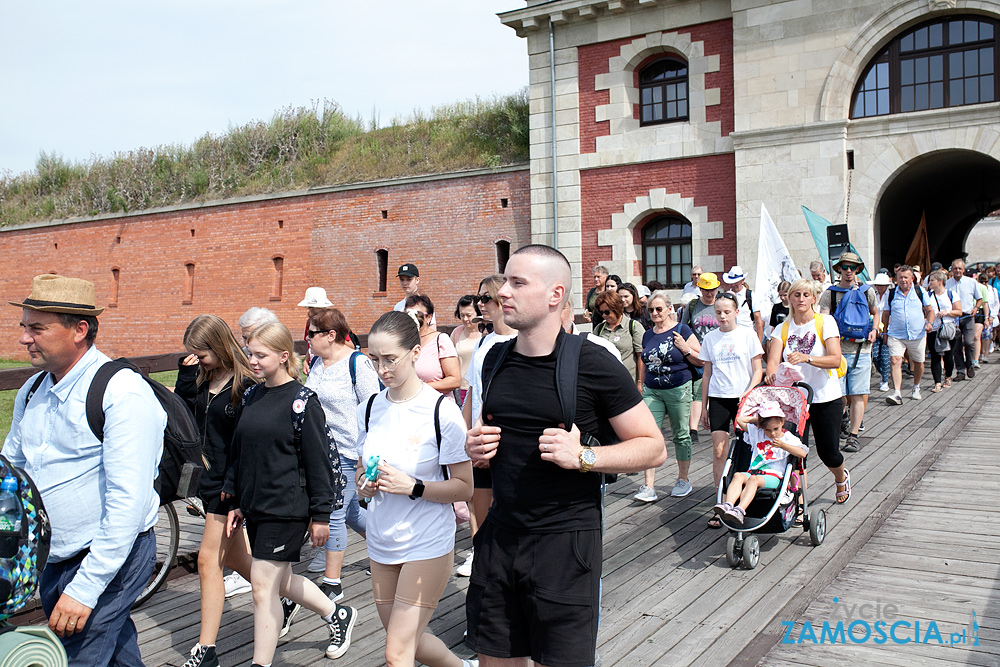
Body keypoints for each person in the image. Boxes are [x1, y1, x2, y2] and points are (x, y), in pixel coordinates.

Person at [465, 244, 666, 667]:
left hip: (564, 544)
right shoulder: (494, 359)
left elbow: (653, 447)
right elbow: (488, 439)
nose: (504, 293)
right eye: (505, 281)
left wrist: (584, 458)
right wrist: (477, 448)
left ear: (556, 295)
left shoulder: (592, 362)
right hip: (500, 537)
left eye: (519, 283)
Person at [4, 274, 166, 665]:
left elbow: (128, 505)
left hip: (110, 557)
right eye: (24, 327)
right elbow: (11, 475)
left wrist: (85, 588)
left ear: (79, 330)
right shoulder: (32, 389)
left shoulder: (122, 393)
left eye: (37, 328)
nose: (25, 338)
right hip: (52, 556)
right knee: (116, 653)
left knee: (77, 657)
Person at [223, 322, 356, 665]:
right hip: (256, 505)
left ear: (284, 357)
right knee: (280, 582)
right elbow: (241, 451)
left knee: (261, 586)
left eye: (260, 355)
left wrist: (322, 515)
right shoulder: (252, 395)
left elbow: (320, 462)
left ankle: (260, 663)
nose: (252, 360)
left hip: (287, 508)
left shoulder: (302, 402)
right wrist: (235, 499)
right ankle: (336, 613)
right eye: (250, 353)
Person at [356, 311, 476, 667]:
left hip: (426, 543)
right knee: (408, 641)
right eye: (374, 360)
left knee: (396, 654)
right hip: (381, 541)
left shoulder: (441, 411)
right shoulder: (368, 409)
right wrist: (366, 483)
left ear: (414, 352)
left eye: (390, 359)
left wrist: (414, 486)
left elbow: (465, 488)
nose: (382, 370)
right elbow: (364, 475)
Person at [176, 315, 259, 667]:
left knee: (208, 561)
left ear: (219, 346)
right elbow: (181, 417)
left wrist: (234, 486)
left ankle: (205, 651)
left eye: (202, 354)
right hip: (208, 481)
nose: (198, 360)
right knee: (245, 564)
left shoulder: (245, 385)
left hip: (229, 487)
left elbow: (249, 444)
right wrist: (185, 377)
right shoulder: (201, 378)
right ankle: (326, 608)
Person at [303, 308, 381, 602]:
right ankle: (384, 548)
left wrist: (365, 455)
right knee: (348, 512)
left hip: (347, 452)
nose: (307, 339)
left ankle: (332, 583)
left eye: (312, 333)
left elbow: (372, 408)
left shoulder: (357, 364)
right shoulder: (317, 364)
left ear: (330, 335)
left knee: (334, 513)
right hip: (321, 451)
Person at [766, 278, 852, 505]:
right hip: (794, 401)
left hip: (825, 397)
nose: (801, 299)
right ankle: (799, 500)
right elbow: (773, 361)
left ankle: (840, 477)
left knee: (828, 452)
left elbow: (835, 359)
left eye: (806, 295)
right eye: (796, 295)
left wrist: (808, 358)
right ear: (789, 299)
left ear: (814, 298)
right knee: (794, 452)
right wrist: (772, 374)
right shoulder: (782, 328)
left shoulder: (825, 322)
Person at [458, 274, 517, 578]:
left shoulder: (517, 342)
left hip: (501, 439)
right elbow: (473, 392)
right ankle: (478, 553)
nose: (480, 304)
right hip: (478, 437)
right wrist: (466, 433)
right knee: (476, 503)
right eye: (479, 298)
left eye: (486, 298)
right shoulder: (484, 340)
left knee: (502, 508)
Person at [698, 292, 764, 528]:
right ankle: (720, 501)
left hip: (743, 398)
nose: (723, 316)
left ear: (737, 312)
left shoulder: (747, 335)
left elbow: (758, 370)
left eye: (727, 312)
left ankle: (742, 501)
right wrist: (704, 405)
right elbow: (706, 373)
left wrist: (748, 394)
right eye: (718, 312)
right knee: (718, 451)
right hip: (718, 397)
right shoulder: (710, 339)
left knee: (746, 448)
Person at [638, 291, 701, 502]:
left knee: (681, 434)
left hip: (678, 388)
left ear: (669, 309)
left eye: (659, 309)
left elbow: (701, 360)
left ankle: (683, 479)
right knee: (648, 435)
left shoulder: (682, 330)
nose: (654, 313)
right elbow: (643, 359)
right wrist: (640, 382)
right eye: (651, 310)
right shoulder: (648, 334)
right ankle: (648, 485)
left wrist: (685, 349)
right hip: (652, 389)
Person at [818, 252, 878, 454]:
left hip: (861, 348)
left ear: (858, 269)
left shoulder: (867, 291)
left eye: (853, 267)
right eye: (845, 267)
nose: (849, 271)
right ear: (839, 269)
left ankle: (853, 436)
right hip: (839, 352)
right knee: (840, 396)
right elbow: (823, 320)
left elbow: (875, 312)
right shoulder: (831, 293)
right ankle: (843, 418)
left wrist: (875, 330)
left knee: (858, 394)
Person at [713, 401, 807, 524]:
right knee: (738, 476)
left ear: (782, 422)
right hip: (753, 472)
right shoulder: (758, 434)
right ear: (762, 427)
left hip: (773, 477)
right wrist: (759, 420)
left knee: (753, 480)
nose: (772, 433)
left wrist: (783, 445)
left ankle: (740, 510)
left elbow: (802, 453)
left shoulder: (787, 437)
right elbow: (741, 420)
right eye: (768, 430)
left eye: (775, 429)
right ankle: (728, 505)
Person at [881, 265, 935, 403]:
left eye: (906, 277)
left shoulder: (920, 291)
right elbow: (886, 314)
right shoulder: (891, 293)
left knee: (918, 362)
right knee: (895, 360)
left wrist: (930, 323)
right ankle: (897, 392)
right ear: (896, 279)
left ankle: (916, 386)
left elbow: (930, 310)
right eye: (900, 277)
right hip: (896, 334)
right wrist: (885, 332)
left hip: (917, 334)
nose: (903, 280)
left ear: (912, 278)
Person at [683, 272, 722, 445]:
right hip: (698, 353)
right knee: (698, 390)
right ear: (699, 288)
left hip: (720, 353)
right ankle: (693, 429)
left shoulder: (722, 304)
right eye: (706, 290)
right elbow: (684, 327)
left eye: (712, 290)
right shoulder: (692, 306)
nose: (709, 293)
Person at [405, 294, 461, 400]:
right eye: (408, 314)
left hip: (436, 405)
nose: (412, 318)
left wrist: (420, 388)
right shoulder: (403, 343)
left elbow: (455, 380)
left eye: (417, 314)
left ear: (429, 317)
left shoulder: (441, 340)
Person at [593, 289, 646, 388]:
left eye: (607, 312)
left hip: (628, 382)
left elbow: (641, 356)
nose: (604, 315)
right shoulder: (599, 329)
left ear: (616, 308)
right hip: (605, 383)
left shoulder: (633, 326)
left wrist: (640, 382)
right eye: (601, 313)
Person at [945, 259, 981, 381]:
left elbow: (980, 298)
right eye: (955, 268)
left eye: (960, 268)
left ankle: (970, 364)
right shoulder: (947, 283)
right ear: (952, 270)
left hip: (968, 316)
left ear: (964, 270)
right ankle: (960, 371)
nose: (957, 271)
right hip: (954, 318)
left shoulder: (971, 282)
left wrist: (976, 308)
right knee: (956, 346)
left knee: (970, 342)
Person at [926, 270, 962, 392]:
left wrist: (947, 312)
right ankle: (937, 382)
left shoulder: (951, 294)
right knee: (935, 356)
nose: (930, 282)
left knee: (948, 356)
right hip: (933, 329)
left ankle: (947, 376)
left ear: (940, 281)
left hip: (948, 328)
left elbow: (959, 311)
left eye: (932, 280)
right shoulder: (928, 295)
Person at [451, 295, 484, 405]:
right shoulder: (457, 332)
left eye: (469, 315)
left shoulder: (485, 332)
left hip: (480, 387)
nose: (465, 319)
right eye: (462, 315)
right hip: (461, 388)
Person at [723, 265, 764, 342]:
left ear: (742, 280)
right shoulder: (725, 296)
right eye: (732, 282)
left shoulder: (751, 296)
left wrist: (759, 343)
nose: (733, 284)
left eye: (736, 282)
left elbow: (758, 320)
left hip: (748, 338)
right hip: (730, 338)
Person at [298, 287, 334, 371]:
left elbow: (348, 344)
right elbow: (310, 344)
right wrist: (307, 360)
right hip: (314, 365)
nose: (310, 311)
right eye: (309, 308)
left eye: (313, 308)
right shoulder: (309, 322)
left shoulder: (332, 322)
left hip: (328, 365)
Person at [868, 273, 894, 391]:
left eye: (882, 285)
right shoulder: (874, 295)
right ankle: (884, 375)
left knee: (885, 355)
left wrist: (885, 331)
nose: (880, 287)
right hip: (875, 328)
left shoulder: (890, 296)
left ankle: (884, 380)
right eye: (878, 285)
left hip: (888, 329)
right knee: (875, 356)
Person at [394, 263, 437, 329]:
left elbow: (433, 330)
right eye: (402, 279)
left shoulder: (425, 304)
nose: (405, 283)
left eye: (409, 279)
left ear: (417, 280)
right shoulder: (398, 307)